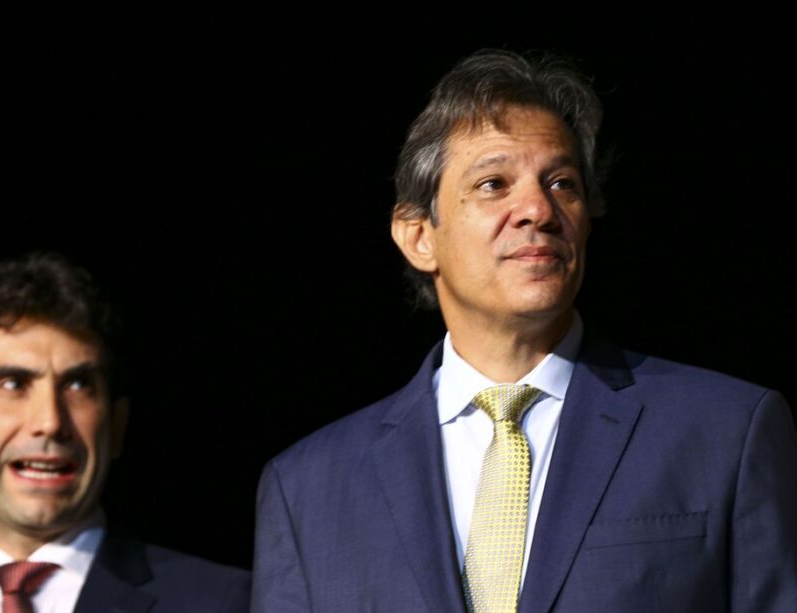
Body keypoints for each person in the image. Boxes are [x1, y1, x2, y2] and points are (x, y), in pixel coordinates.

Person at [251, 48, 797, 612]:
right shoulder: (306, 488)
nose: (538, 209)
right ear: (418, 236)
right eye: (493, 184)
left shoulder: (727, 432)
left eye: (562, 183)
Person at [0, 251, 250, 613]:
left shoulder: (225, 603)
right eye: (13, 384)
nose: (50, 421)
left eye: (77, 385)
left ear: (116, 424)